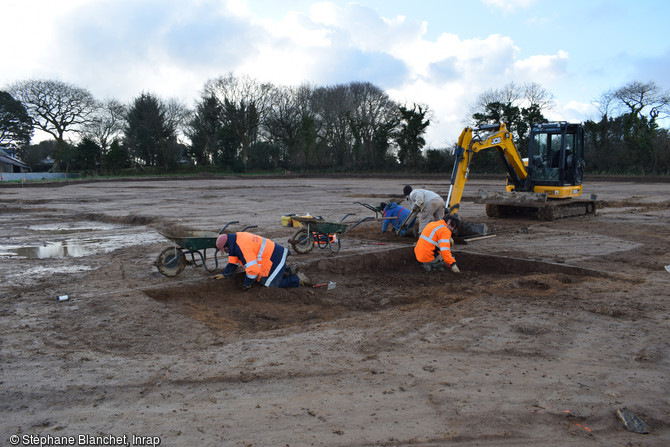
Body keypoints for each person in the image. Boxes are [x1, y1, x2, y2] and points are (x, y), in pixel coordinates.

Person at [216, 232, 311, 290]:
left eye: (225, 250)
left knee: (270, 284)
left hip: (273, 258)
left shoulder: (241, 247)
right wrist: (225, 274)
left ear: (227, 245)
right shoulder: (235, 240)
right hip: (274, 254)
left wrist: (247, 284)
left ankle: (297, 279)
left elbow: (253, 270)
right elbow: (233, 260)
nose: (226, 252)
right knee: (267, 276)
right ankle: (288, 271)